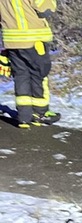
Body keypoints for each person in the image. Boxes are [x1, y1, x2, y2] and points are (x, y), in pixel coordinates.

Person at [0, 0, 60, 129]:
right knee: (39, 75)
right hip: (33, 39)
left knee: (21, 76)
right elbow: (46, 9)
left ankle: (24, 116)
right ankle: (40, 114)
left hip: (12, 41)